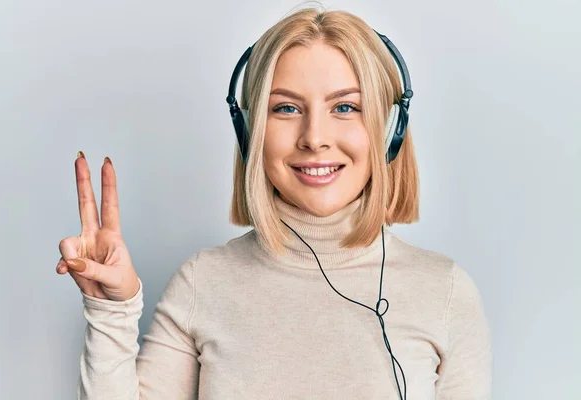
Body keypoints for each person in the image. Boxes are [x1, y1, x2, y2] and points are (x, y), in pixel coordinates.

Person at [56, 7, 492, 399]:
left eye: (345, 107)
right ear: (251, 134)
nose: (314, 137)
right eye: (285, 108)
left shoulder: (446, 292)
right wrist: (111, 311)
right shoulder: (202, 282)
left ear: (390, 131)